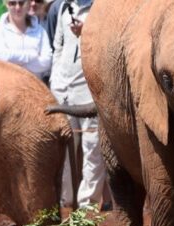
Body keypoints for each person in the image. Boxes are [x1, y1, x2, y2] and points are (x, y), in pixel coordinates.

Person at [50, 0, 105, 209]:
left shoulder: (100, 7)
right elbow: (58, 46)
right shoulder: (64, 7)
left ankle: (88, 203)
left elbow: (106, 43)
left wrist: (85, 32)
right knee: (65, 147)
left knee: (92, 147)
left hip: (90, 89)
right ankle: (67, 199)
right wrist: (55, 79)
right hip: (64, 89)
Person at [0, 0, 52, 80]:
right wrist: (32, 55)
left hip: (34, 85)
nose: (17, 7)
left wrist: (15, 64)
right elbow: (4, 56)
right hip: (6, 84)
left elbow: (46, 62)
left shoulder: (40, 31)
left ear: (28, 3)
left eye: (21, 3)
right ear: (6, 4)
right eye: (12, 3)